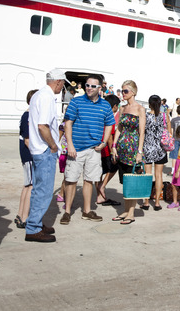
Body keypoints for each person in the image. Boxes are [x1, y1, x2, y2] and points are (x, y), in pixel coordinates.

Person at [61, 75, 115, 223]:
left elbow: (110, 123)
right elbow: (68, 123)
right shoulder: (76, 102)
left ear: (100, 88)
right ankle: (67, 212)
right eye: (87, 85)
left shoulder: (105, 106)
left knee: (89, 180)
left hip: (94, 150)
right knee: (71, 180)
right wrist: (70, 145)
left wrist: (104, 141)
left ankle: (87, 211)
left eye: (92, 86)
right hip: (76, 149)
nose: (89, 88)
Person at [23, 69, 66, 243]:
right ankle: (33, 228)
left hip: (37, 148)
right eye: (63, 84)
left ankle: (35, 223)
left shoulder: (38, 95)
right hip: (44, 149)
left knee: (38, 189)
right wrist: (53, 145)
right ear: (58, 82)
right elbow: (43, 126)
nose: (62, 88)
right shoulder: (47, 97)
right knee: (44, 191)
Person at [111, 80, 145, 225]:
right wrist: (114, 145)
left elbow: (142, 132)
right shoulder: (122, 108)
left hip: (133, 150)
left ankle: (131, 213)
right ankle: (125, 210)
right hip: (122, 149)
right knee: (125, 181)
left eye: (125, 91)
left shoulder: (140, 109)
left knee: (132, 182)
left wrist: (139, 151)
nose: (123, 93)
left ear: (133, 92)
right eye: (122, 90)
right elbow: (119, 128)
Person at [142, 95, 170, 211]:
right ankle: (157, 202)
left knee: (147, 175)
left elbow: (141, 132)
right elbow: (169, 132)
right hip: (161, 149)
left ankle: (146, 202)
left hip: (147, 148)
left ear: (149, 104)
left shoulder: (145, 116)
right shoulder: (164, 116)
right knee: (159, 176)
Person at [15, 89, 38, 228]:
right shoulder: (28, 116)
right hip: (29, 156)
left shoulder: (27, 115)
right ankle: (24, 218)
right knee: (30, 186)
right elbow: (28, 140)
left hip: (27, 155)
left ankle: (20, 214)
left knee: (27, 185)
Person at [96, 95, 122, 207]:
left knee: (98, 173)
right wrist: (113, 150)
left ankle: (100, 196)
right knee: (114, 167)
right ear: (115, 106)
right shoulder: (110, 116)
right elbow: (110, 136)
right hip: (106, 149)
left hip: (97, 147)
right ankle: (102, 186)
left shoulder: (100, 114)